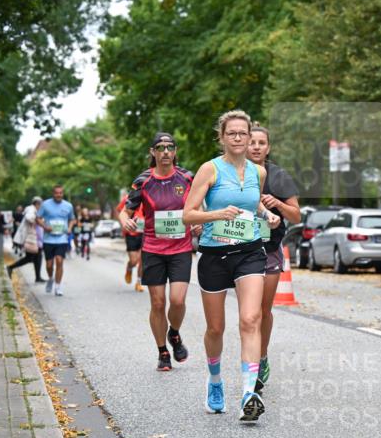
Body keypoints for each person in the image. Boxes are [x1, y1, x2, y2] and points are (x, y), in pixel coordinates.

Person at [183, 111, 280, 421]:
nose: (238, 138)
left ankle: (249, 393)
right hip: (214, 254)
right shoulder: (209, 169)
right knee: (215, 328)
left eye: (243, 133)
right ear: (222, 137)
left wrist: (267, 215)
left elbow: (253, 204)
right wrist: (217, 214)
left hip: (250, 251)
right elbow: (188, 214)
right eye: (232, 133)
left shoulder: (258, 172)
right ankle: (215, 381)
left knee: (251, 319)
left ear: (250, 137)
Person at [119, 132, 198, 371]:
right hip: (153, 249)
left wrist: (199, 222)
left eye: (169, 147)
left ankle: (174, 333)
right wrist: (125, 220)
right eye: (160, 148)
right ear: (152, 152)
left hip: (181, 248)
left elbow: (199, 206)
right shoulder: (143, 181)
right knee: (157, 302)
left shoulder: (187, 177)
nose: (165, 152)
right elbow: (126, 210)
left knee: (177, 300)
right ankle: (163, 351)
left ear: (175, 151)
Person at [246, 124, 302, 394]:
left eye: (261, 143)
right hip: (242, 250)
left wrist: (277, 204)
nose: (256, 147)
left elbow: (296, 216)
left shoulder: (279, 176)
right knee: (249, 313)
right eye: (252, 142)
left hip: (269, 249)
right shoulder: (233, 173)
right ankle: (251, 365)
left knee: (263, 310)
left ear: (268, 148)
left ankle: (262, 356)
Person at [37, 184, 75, 296]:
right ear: (53, 194)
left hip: (62, 239)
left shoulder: (68, 206)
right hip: (48, 239)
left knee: (59, 261)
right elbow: (38, 218)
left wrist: (69, 228)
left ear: (63, 194)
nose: (59, 195)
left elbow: (72, 219)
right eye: (56, 193)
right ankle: (50, 278)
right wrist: (45, 227)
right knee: (49, 265)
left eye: (60, 193)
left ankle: (58, 287)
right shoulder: (45, 205)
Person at [7, 197, 44, 281]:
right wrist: (37, 219)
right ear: (37, 204)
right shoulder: (31, 209)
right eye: (41, 205)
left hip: (35, 238)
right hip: (30, 238)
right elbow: (29, 218)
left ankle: (38, 277)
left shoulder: (34, 210)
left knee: (37, 256)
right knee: (30, 258)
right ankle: (10, 267)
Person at [116, 193, 145, 291]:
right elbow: (119, 211)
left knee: (142, 260)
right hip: (131, 233)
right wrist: (124, 223)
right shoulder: (130, 197)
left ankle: (139, 282)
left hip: (144, 233)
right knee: (134, 260)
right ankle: (129, 268)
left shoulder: (151, 195)